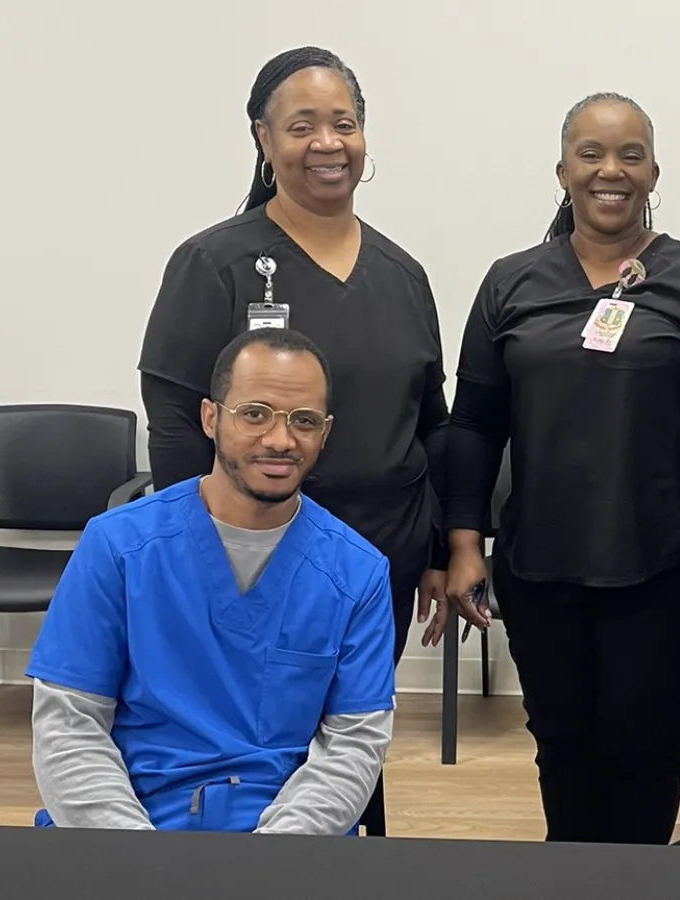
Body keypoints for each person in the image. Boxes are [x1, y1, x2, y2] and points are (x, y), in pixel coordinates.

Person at [136, 47, 472, 834]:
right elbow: (176, 416)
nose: (328, 142)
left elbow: (433, 421)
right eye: (302, 126)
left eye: (344, 123)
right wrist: (199, 551)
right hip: (250, 552)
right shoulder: (213, 263)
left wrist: (434, 549)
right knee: (254, 734)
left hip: (379, 556)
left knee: (353, 729)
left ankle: (349, 854)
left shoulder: (403, 273)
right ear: (263, 139)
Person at [442, 92, 680, 845]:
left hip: (664, 568)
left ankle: (637, 883)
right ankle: (574, 877)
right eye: (591, 154)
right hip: (541, 568)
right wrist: (464, 542)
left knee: (645, 744)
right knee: (563, 745)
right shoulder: (511, 283)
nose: (610, 171)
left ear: (654, 170)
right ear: (562, 170)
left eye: (630, 154)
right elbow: (474, 425)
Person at [27, 329, 397, 834]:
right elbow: (70, 727)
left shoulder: (357, 573)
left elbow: (353, 743)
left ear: (325, 433)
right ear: (210, 417)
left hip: (285, 843)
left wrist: (268, 868)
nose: (280, 440)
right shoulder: (119, 547)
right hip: (130, 830)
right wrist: (138, 864)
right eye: (255, 413)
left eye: (303, 422)